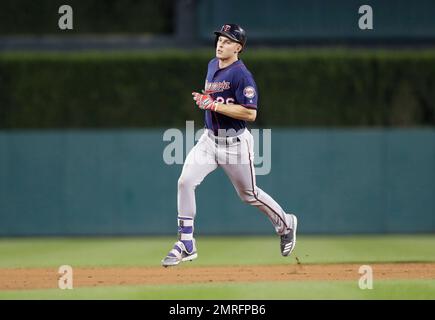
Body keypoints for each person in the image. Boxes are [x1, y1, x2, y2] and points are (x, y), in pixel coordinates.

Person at [161, 24, 297, 267]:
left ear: (238, 47)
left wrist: (213, 105)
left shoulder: (241, 75)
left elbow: (250, 113)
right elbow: (212, 101)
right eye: (219, 39)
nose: (220, 44)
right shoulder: (212, 65)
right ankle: (186, 243)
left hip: (235, 144)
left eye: (227, 41)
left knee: (249, 195)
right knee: (185, 181)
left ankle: (286, 224)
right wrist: (210, 103)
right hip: (209, 140)